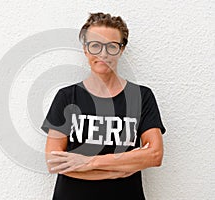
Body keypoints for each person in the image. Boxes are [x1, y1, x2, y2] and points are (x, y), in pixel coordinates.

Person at [41, 12, 166, 200]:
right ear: (85, 49)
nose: (103, 54)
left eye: (112, 46)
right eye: (95, 46)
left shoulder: (141, 96)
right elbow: (54, 162)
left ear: (122, 49)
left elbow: (155, 155)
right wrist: (119, 169)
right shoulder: (67, 97)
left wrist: (88, 162)